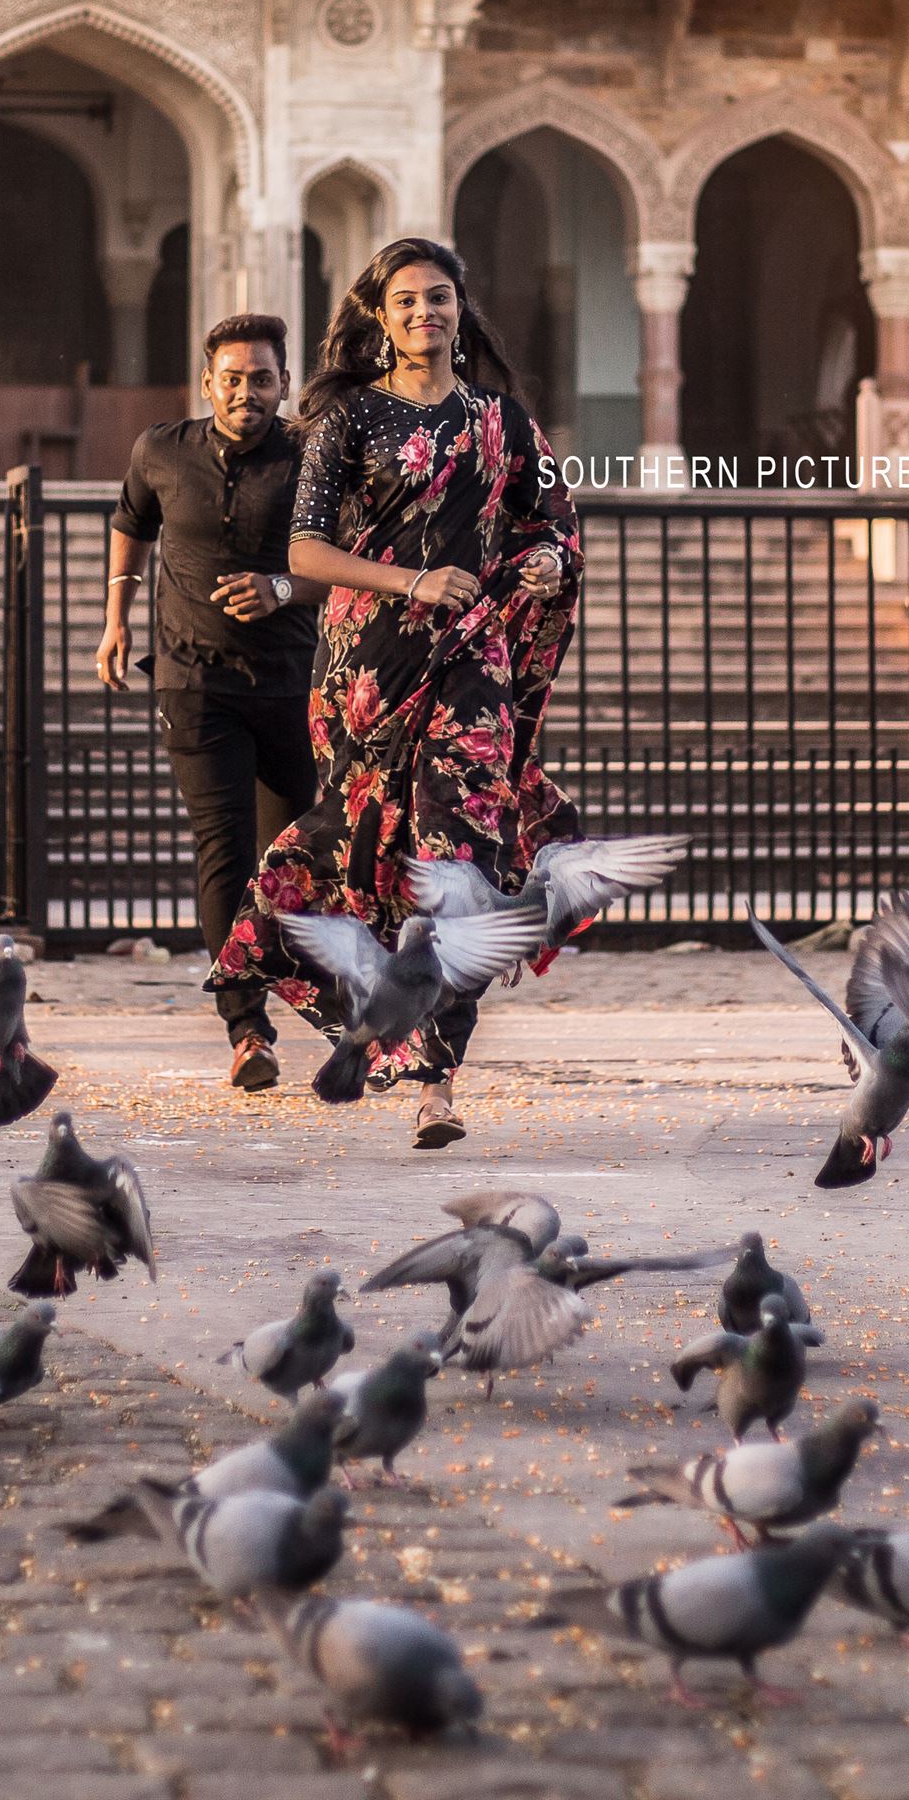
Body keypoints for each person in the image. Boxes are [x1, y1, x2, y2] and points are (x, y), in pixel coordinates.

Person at [212, 234, 585, 1150]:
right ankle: (332, 1008)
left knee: (461, 864)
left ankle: (437, 1084)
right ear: (381, 319)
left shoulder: (501, 418)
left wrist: (545, 560)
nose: (425, 312)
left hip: (474, 663)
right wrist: (411, 582)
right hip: (370, 670)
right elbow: (305, 553)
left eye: (439, 297)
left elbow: (553, 522)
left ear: (461, 309)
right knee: (363, 850)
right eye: (407, 301)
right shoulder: (349, 418)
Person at [101, 313, 321, 1090]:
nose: (245, 392)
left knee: (286, 856)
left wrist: (281, 588)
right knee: (222, 848)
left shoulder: (311, 456)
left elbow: (348, 561)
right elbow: (131, 522)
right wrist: (116, 620)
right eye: (232, 379)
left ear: (284, 384)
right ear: (207, 384)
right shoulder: (161, 450)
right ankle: (246, 1027)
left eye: (261, 379)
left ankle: (323, 1000)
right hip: (193, 682)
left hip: (290, 681)